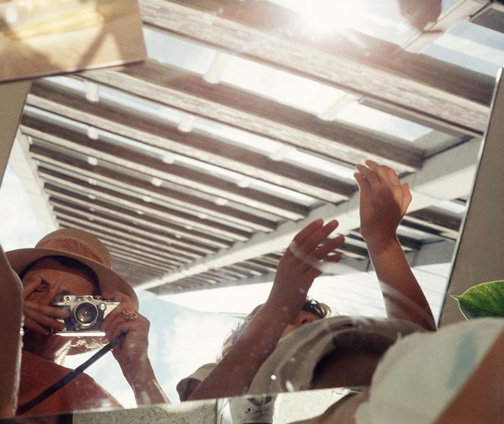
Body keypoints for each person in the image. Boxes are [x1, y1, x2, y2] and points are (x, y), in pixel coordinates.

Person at [178, 160, 436, 409]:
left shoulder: (354, 342)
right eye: (286, 320)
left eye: (306, 318)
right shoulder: (228, 381)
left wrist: (382, 240)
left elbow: (424, 345)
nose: (301, 320)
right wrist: (276, 309)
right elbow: (198, 415)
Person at [6, 228, 169, 417]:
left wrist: (138, 369)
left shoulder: (84, 396)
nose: (45, 304)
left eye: (65, 302)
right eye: (38, 289)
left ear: (85, 327)